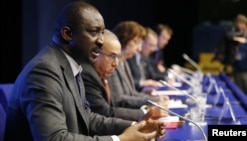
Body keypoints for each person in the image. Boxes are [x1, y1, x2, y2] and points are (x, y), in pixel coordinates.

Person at [4, 1, 165, 141]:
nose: (101, 41)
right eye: (94, 32)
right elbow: (53, 138)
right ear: (67, 34)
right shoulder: (43, 72)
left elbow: (87, 118)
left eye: (102, 32)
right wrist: (119, 139)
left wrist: (136, 125)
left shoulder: (70, 64)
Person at [81, 29, 167, 121]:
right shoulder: (89, 74)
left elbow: (118, 101)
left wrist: (151, 103)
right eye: (136, 42)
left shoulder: (106, 70)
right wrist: (146, 112)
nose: (116, 63)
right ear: (95, 53)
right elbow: (108, 110)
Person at [111, 21, 162, 92]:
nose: (139, 48)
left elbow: (131, 93)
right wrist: (153, 99)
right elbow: (120, 99)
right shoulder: (112, 63)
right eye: (136, 42)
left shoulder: (124, 62)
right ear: (125, 38)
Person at [231, 14, 247, 98]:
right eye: (238, 23)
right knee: (239, 95)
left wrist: (245, 41)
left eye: (241, 23)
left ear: (246, 24)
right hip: (237, 69)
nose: (239, 25)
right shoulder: (237, 34)